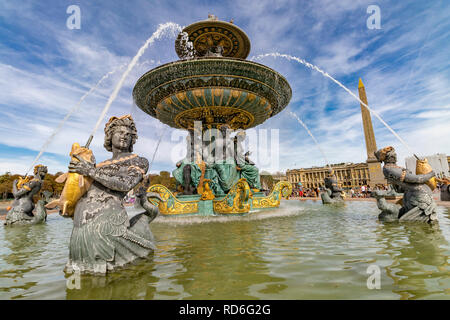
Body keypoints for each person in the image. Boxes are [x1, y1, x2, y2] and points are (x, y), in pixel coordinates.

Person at [65, 115, 160, 274]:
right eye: (120, 132)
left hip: (106, 223)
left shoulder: (138, 161)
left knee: (106, 277)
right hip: (81, 225)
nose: (125, 135)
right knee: (82, 276)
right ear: (110, 136)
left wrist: (89, 170)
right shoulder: (99, 165)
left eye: (128, 134)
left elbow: (126, 184)